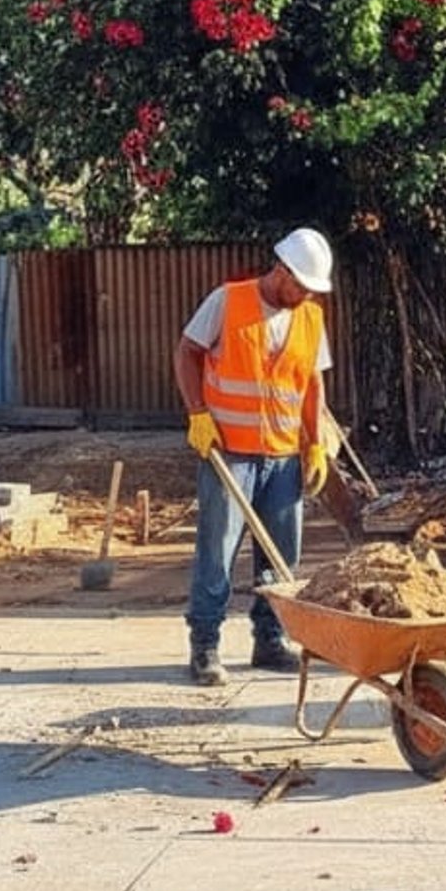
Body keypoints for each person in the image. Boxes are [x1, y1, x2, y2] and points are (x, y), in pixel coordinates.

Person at [175, 227, 334, 686]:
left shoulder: (310, 317)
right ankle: (205, 645)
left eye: (311, 289)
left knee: (281, 553)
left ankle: (270, 639)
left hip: (282, 456)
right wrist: (197, 415)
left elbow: (313, 384)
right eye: (300, 285)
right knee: (217, 550)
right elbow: (187, 352)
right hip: (230, 453)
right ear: (281, 270)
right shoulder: (228, 301)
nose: (304, 295)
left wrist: (315, 442)